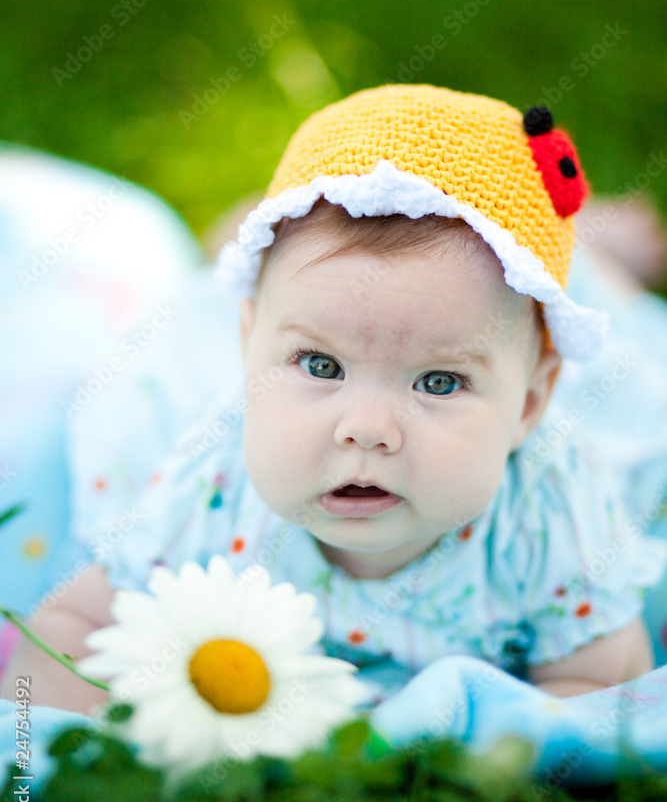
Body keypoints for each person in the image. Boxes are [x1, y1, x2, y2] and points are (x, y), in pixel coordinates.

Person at [3, 84, 667, 717]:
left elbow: (599, 691)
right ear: (248, 352)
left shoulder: (550, 518)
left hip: (554, 344)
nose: (367, 430)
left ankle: (592, 245)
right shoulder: (210, 491)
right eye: (319, 366)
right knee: (229, 276)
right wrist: (40, 754)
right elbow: (75, 623)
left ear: (528, 405)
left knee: (615, 329)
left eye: (437, 382)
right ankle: (240, 225)